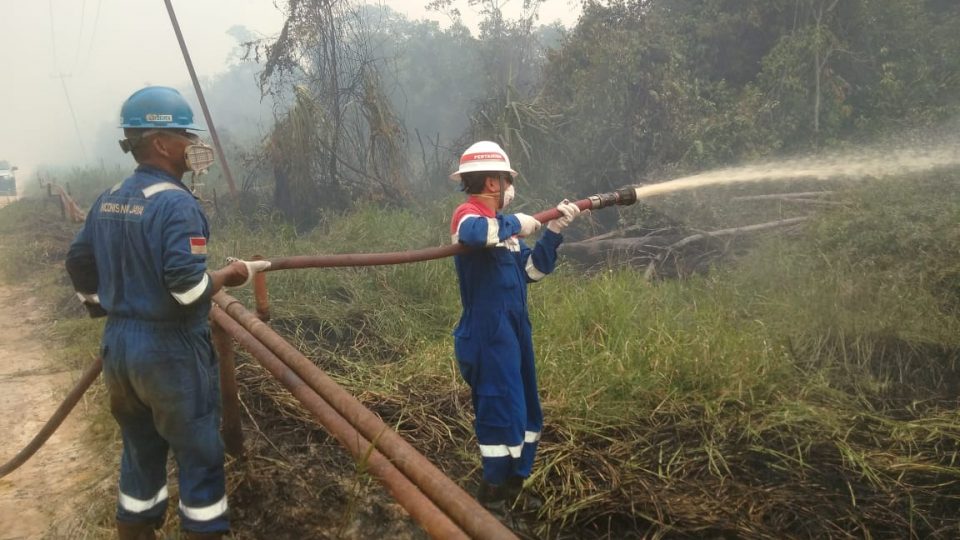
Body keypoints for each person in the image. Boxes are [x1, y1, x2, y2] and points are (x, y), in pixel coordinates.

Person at [65, 86, 268, 540]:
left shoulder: (110, 196)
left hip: (120, 348)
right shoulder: (176, 203)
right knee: (200, 455)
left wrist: (102, 306)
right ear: (160, 142)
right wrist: (229, 274)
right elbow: (188, 290)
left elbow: (78, 260)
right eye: (185, 135)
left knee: (140, 451)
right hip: (169, 353)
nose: (194, 144)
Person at [448, 141, 582, 512]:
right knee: (499, 407)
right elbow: (474, 235)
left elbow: (533, 271)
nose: (510, 188)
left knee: (525, 407)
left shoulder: (504, 233)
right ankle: (492, 492)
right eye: (507, 181)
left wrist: (552, 231)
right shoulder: (468, 215)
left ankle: (514, 483)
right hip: (487, 333)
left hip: (515, 330)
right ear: (493, 183)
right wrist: (517, 223)